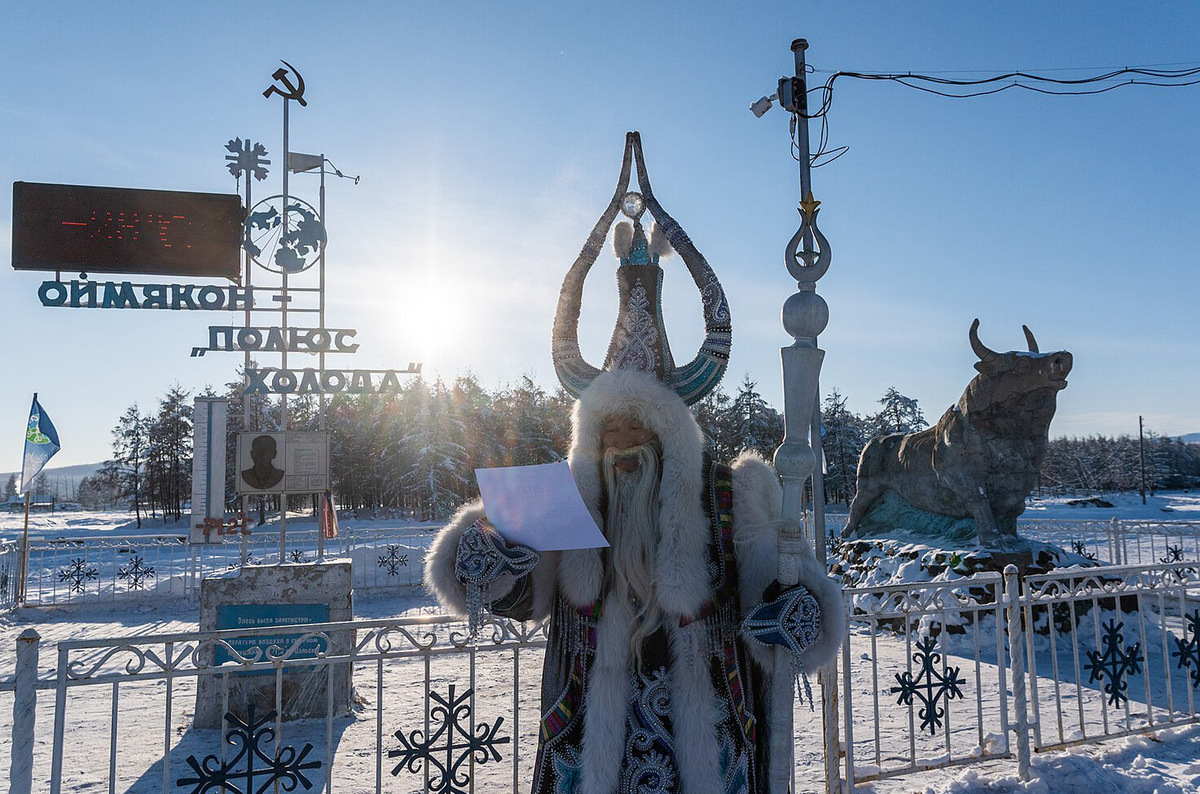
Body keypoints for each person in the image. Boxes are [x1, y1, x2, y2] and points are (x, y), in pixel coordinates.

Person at [425, 132, 844, 794]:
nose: (618, 446)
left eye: (635, 430)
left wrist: (794, 609)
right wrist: (484, 553)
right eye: (606, 432)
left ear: (669, 434)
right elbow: (521, 595)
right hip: (590, 739)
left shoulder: (729, 496)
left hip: (704, 739)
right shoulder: (569, 499)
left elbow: (774, 605)